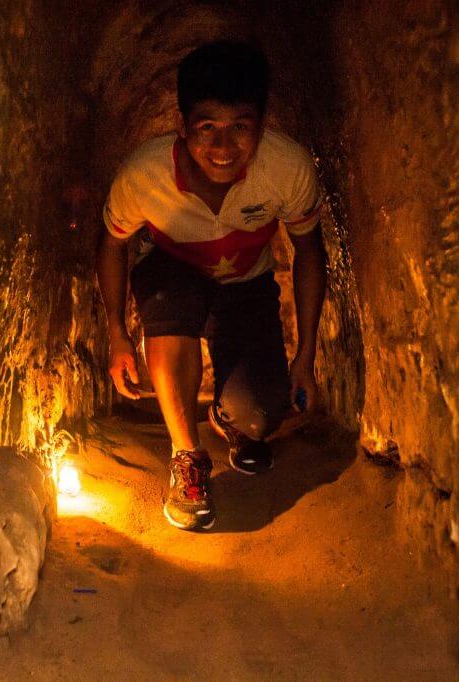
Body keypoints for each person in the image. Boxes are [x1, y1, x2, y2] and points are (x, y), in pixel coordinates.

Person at [97, 41, 327, 531]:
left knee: (262, 414)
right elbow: (113, 244)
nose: (223, 148)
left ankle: (230, 416)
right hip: (172, 275)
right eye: (207, 129)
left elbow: (310, 250)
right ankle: (187, 460)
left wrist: (304, 356)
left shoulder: (286, 168)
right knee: (169, 293)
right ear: (183, 127)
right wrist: (118, 333)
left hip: (245, 284)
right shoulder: (145, 174)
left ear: (261, 126)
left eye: (240, 128)